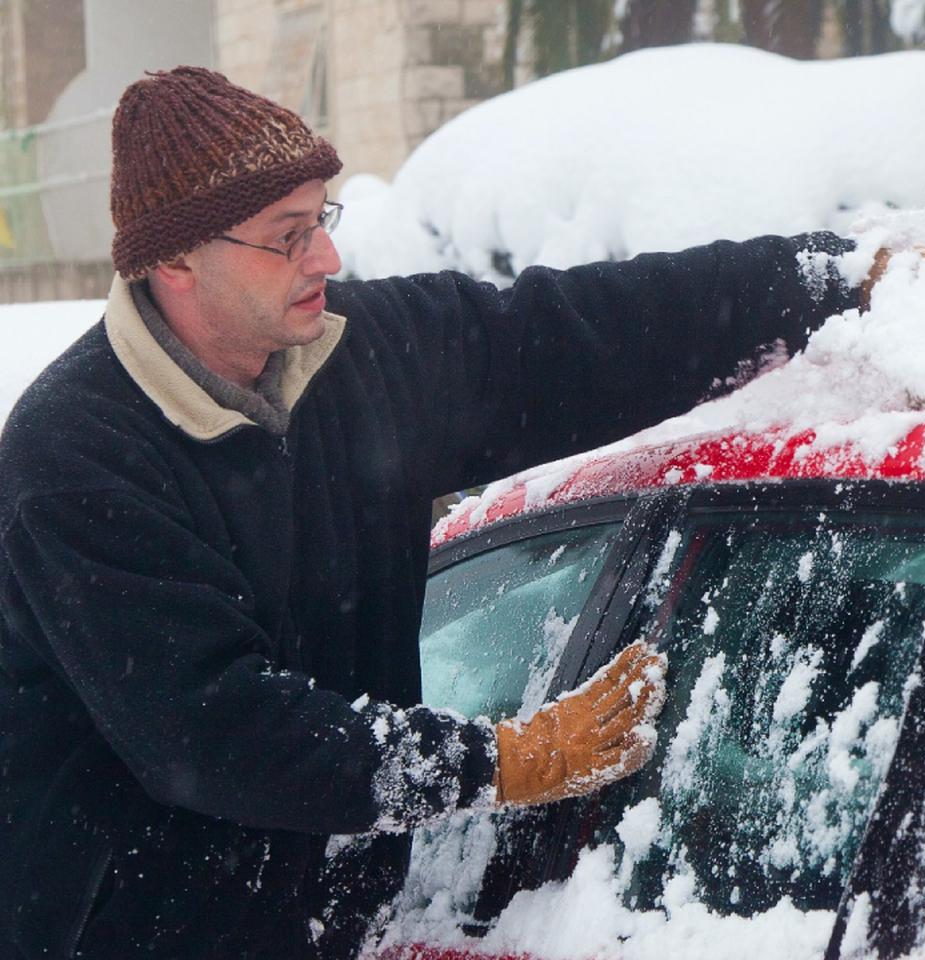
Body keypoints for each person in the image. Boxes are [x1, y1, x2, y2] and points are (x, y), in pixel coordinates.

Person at [0, 66, 869, 959]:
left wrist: (822, 281)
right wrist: (510, 759)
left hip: (321, 920)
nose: (325, 260)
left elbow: (572, 337)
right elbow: (215, 732)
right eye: (287, 236)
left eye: (322, 219)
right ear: (177, 260)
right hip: (126, 928)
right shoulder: (75, 460)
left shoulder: (363, 357)